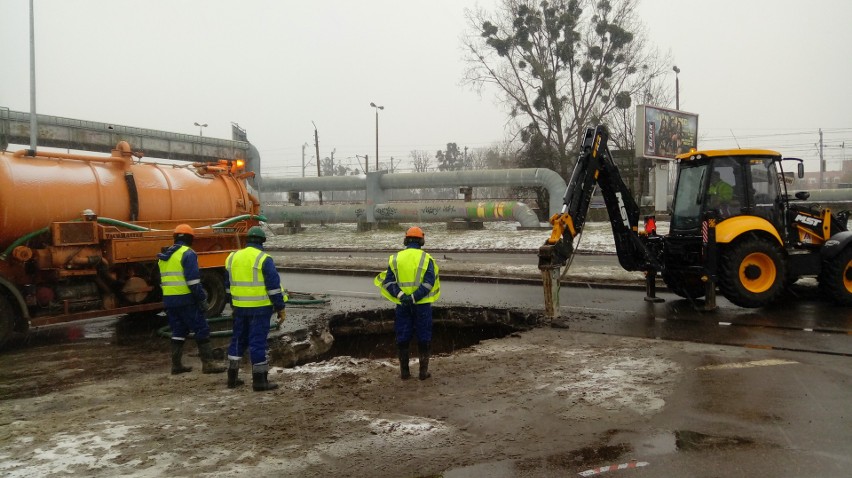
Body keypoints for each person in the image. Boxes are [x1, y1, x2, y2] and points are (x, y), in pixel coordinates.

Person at [225, 226, 288, 391]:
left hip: (239, 308)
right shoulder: (263, 259)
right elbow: (274, 288)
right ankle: (260, 381)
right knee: (257, 342)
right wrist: (280, 307)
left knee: (238, 340)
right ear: (262, 241)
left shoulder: (232, 257)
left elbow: (228, 286)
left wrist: (233, 304)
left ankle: (232, 377)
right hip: (259, 310)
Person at [157, 224, 226, 375]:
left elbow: (163, 281)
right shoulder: (188, 254)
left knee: (178, 331)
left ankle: (176, 365)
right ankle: (208, 364)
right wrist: (202, 299)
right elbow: (193, 282)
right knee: (201, 329)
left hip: (170, 300)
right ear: (190, 238)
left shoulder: (165, 256)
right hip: (186, 300)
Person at [374, 226, 441, 380]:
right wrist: (414, 297)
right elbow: (429, 283)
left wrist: (401, 295)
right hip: (422, 305)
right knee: (424, 337)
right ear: (421, 241)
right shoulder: (426, 258)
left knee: (403, 336)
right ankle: (423, 373)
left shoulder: (396, 258)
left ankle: (405, 372)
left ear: (406, 240)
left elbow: (388, 281)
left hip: (402, 305)